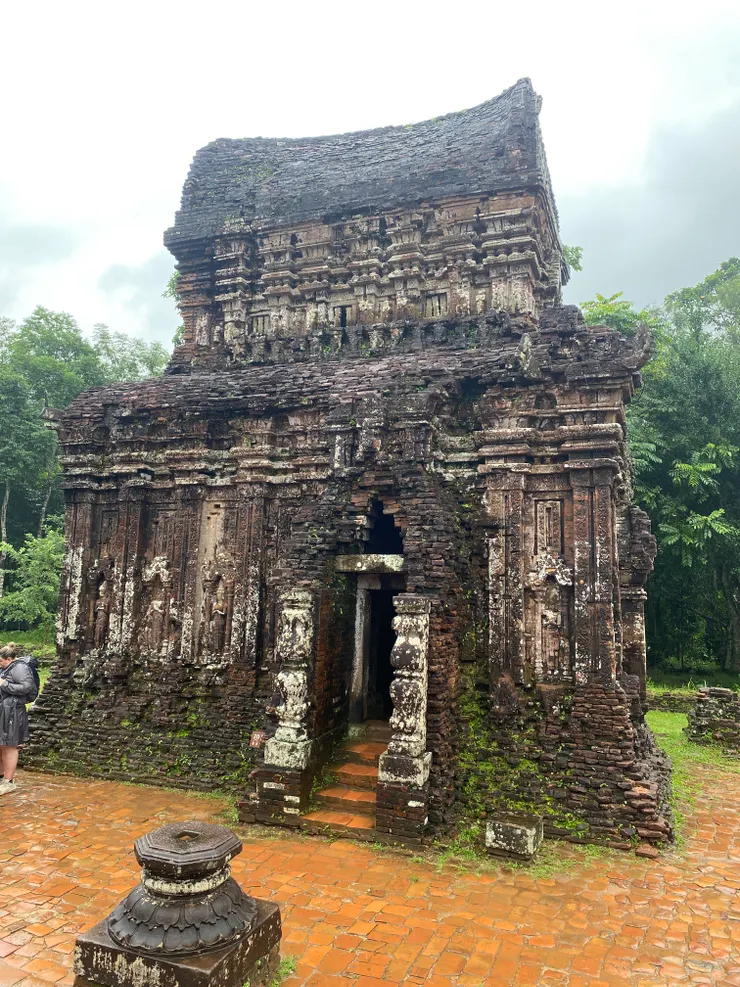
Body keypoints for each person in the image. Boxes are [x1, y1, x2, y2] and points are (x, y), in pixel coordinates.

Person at [0, 643, 38, 795]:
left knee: (9, 745)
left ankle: (8, 781)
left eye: (0, 661)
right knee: (1, 744)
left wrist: (4, 684)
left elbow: (26, 687)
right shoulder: (7, 668)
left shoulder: (20, 668)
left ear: (8, 659)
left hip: (13, 712)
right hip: (4, 710)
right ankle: (1, 777)